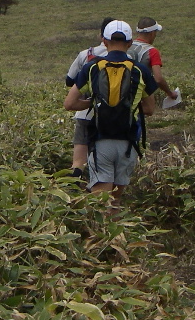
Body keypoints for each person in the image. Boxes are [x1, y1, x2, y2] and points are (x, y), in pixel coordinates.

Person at [64, 20, 157, 197]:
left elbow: (69, 103)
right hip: (128, 142)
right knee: (115, 201)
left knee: (100, 200)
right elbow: (150, 108)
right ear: (130, 43)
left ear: (104, 41)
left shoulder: (92, 67)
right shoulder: (140, 70)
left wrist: (93, 103)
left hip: (101, 141)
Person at [64, 17, 113, 179]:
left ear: (101, 36)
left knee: (79, 159)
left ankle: (74, 184)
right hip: (111, 117)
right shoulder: (123, 58)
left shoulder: (86, 54)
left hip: (84, 112)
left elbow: (69, 81)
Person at [128, 17, 179, 101]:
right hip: (139, 93)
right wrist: (170, 93)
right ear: (152, 33)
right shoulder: (152, 51)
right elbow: (158, 79)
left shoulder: (128, 45)